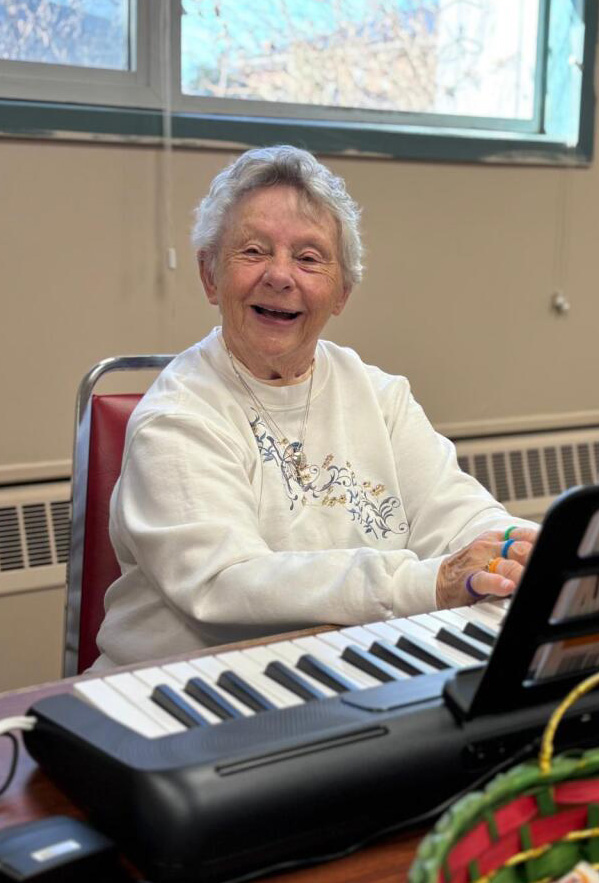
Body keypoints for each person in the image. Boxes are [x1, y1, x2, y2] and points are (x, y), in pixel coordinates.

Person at [92, 145, 538, 670]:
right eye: (254, 251)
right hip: (179, 690)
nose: (281, 276)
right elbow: (225, 584)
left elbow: (453, 511)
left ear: (341, 291)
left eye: (308, 258)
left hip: (347, 668)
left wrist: (515, 547)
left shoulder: (380, 396)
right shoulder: (177, 416)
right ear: (209, 275)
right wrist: (427, 582)